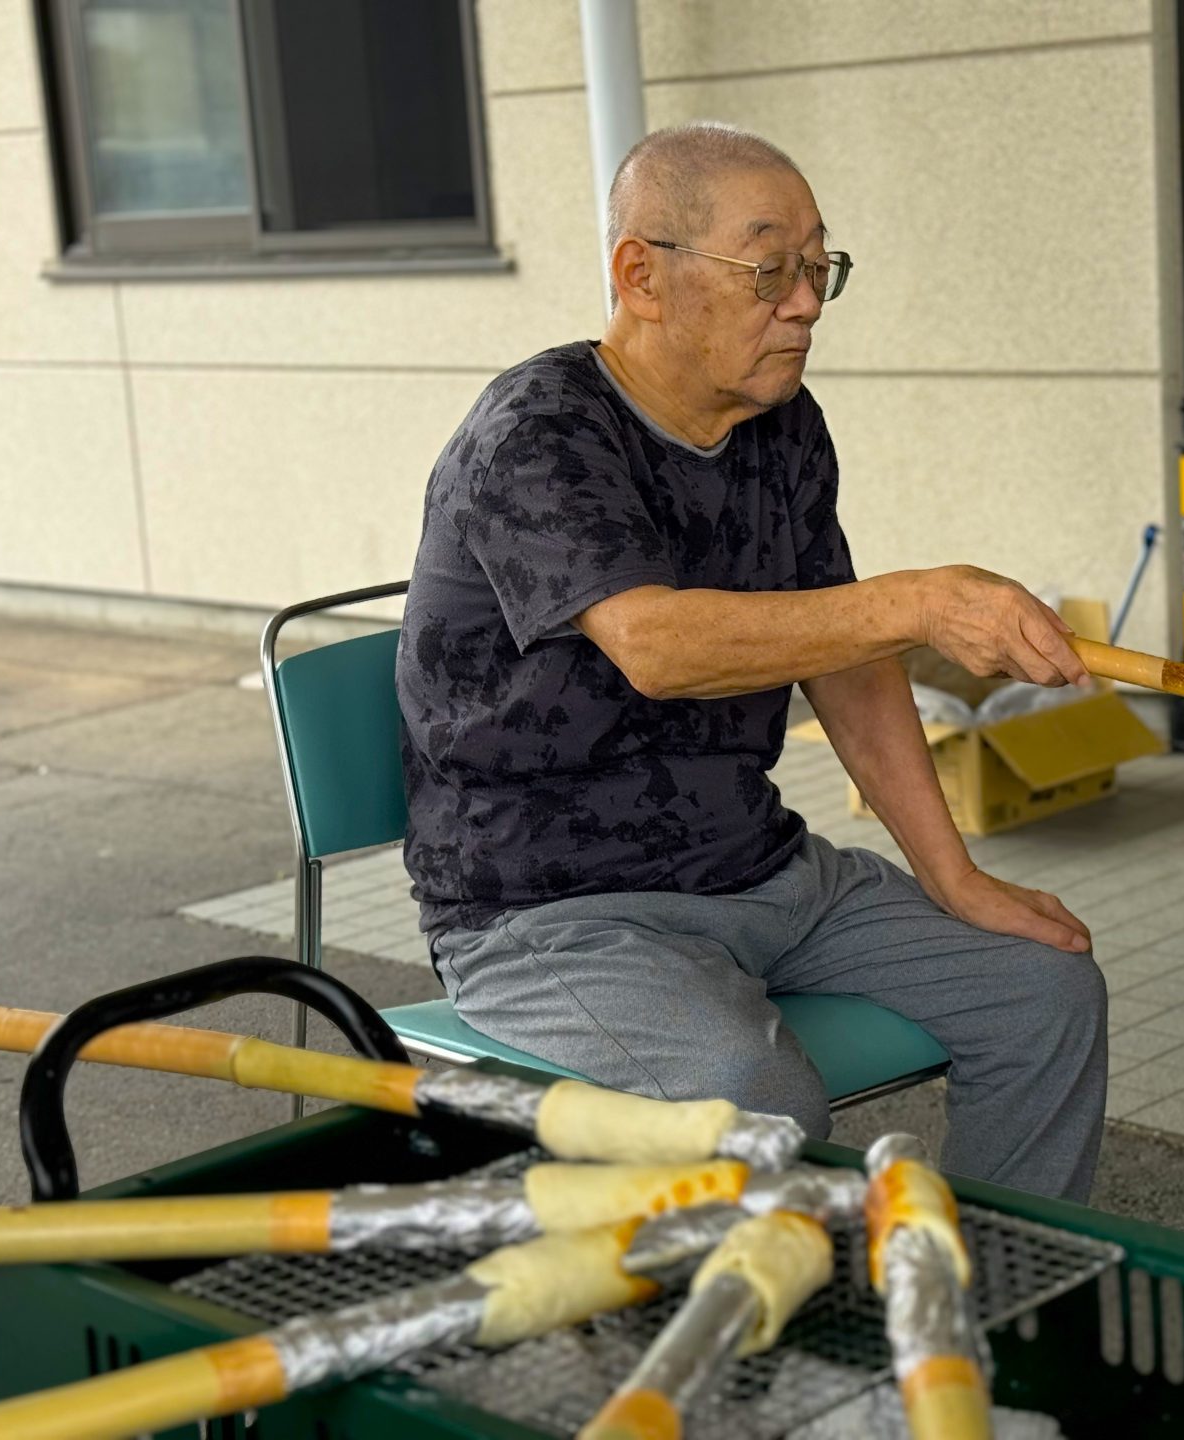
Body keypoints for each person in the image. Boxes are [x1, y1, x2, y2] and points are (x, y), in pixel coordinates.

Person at [396, 123, 1108, 1200]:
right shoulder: (538, 434)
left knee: (1045, 986)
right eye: (770, 269)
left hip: (756, 866)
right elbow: (656, 645)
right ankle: (771, 1359)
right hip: (546, 908)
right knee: (755, 1095)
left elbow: (851, 654)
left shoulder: (783, 426)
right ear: (641, 275)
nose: (806, 303)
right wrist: (916, 601)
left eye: (819, 268)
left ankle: (982, 1316)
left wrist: (953, 877)